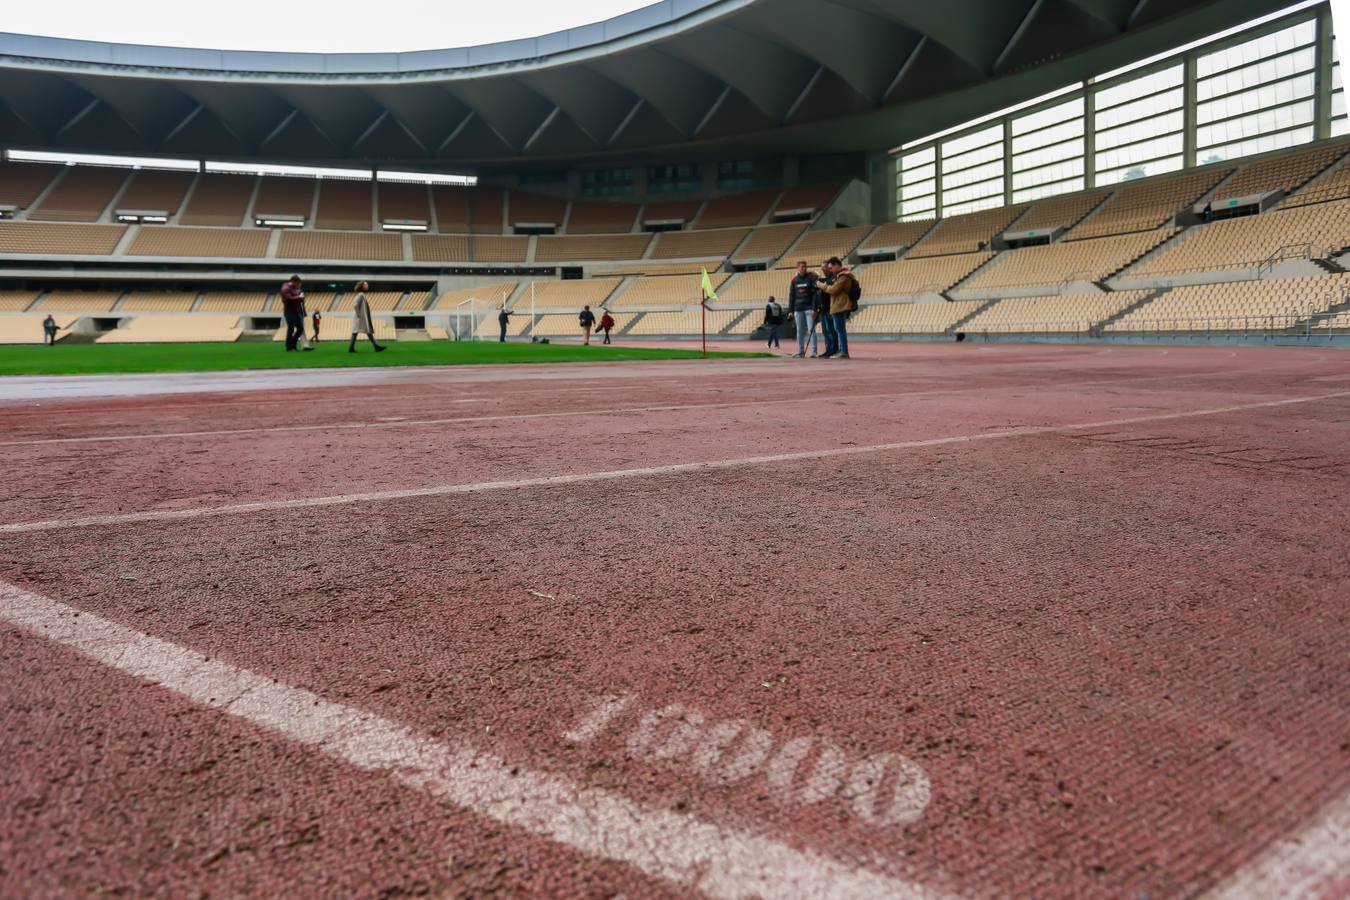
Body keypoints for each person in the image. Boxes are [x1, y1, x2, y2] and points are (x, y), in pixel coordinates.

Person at [819, 257, 858, 360]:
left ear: (836, 265)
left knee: (840, 330)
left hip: (840, 305)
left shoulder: (844, 276)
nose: (830, 270)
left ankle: (844, 351)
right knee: (839, 330)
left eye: (831, 267)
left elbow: (833, 289)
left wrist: (822, 286)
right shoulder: (840, 276)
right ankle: (842, 350)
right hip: (838, 305)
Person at [788, 261, 819, 358]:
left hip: (809, 309)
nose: (804, 268)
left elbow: (815, 295)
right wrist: (790, 311)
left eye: (805, 267)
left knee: (811, 330)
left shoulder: (810, 279)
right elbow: (791, 296)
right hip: (798, 309)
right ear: (798, 268)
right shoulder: (794, 281)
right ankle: (801, 351)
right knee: (799, 330)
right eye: (802, 267)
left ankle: (814, 351)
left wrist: (814, 308)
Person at [348, 281, 387, 353]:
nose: (367, 285)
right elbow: (355, 305)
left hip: (360, 317)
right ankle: (375, 347)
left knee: (364, 332)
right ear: (362, 286)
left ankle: (375, 346)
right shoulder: (361, 295)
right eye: (365, 284)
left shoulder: (361, 294)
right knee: (358, 332)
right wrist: (359, 314)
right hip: (359, 317)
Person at [280, 275, 308, 352]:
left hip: (297, 311)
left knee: (300, 328)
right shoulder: (285, 288)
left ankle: (293, 345)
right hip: (289, 311)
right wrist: (299, 297)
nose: (299, 285)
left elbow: (298, 296)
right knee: (291, 328)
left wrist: (301, 297)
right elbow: (288, 298)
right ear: (294, 282)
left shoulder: (295, 288)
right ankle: (289, 347)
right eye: (298, 283)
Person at [812, 278, 838, 358]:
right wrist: (816, 308)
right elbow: (816, 301)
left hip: (827, 311)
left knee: (830, 330)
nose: (817, 289)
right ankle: (828, 349)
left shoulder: (825, 291)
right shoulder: (817, 293)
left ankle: (833, 349)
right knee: (825, 331)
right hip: (822, 312)